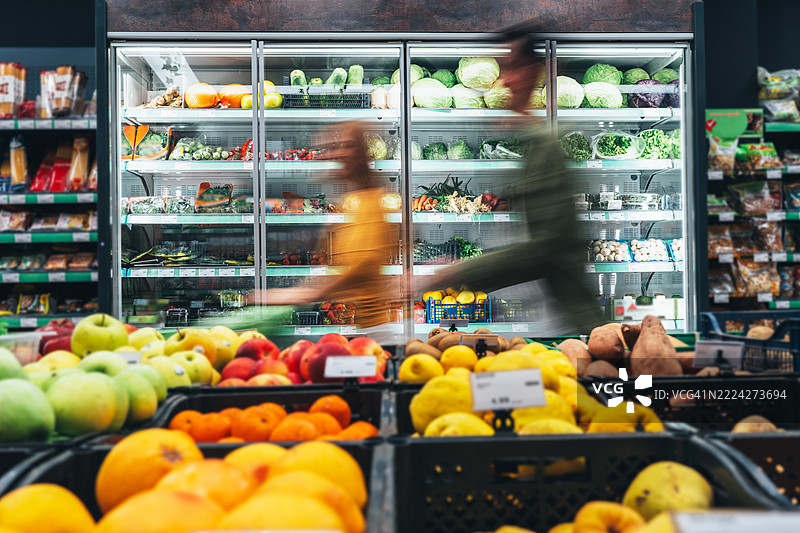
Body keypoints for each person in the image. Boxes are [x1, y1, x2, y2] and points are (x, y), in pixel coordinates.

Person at [417, 32, 604, 333]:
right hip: (538, 318)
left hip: (568, 325)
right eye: (503, 69)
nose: (505, 80)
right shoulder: (528, 140)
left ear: (535, 73)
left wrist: (455, 272)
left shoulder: (546, 146)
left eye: (512, 68)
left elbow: (544, 249)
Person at [262, 121, 401, 345]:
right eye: (330, 148)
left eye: (346, 146)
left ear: (361, 153)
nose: (333, 154)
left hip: (372, 337)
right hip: (355, 332)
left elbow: (364, 266)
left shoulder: (370, 203)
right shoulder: (352, 202)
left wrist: (307, 293)